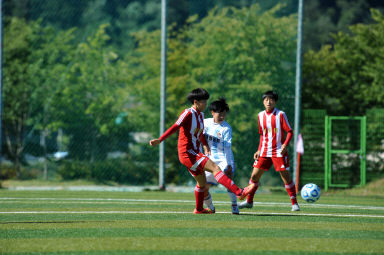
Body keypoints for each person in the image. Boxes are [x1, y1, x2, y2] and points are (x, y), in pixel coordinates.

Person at [149, 88, 255, 214]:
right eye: (204, 101)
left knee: (202, 183)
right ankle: (239, 192)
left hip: (194, 152)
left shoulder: (201, 115)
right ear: (196, 102)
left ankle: (199, 209)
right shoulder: (188, 113)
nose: (206, 104)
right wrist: (160, 140)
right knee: (215, 168)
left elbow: (200, 134)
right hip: (188, 153)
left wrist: (205, 145)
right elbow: (175, 126)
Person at [238, 90, 300, 212]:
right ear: (263, 102)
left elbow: (290, 132)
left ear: (275, 101)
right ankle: (249, 202)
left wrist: (285, 145)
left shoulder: (280, 114)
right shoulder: (260, 115)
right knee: (254, 176)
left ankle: (295, 204)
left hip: (278, 151)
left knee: (285, 177)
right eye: (266, 99)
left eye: (271, 99)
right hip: (264, 151)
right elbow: (262, 135)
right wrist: (259, 149)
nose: (268, 101)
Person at [202, 98, 239, 214]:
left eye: (224, 113)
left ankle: (234, 204)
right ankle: (210, 207)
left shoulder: (226, 128)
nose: (222, 116)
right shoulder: (205, 123)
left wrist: (228, 164)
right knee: (203, 187)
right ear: (212, 112)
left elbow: (227, 149)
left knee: (228, 180)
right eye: (220, 113)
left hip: (223, 159)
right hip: (209, 160)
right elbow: (198, 135)